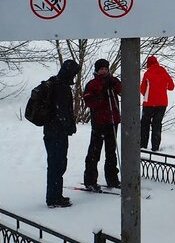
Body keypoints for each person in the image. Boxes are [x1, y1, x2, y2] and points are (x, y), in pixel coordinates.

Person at [43, 59, 80, 208]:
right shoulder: (62, 88)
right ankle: (54, 198)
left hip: (51, 130)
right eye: (74, 73)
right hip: (57, 132)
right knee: (57, 164)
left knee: (55, 164)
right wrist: (69, 126)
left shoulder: (54, 83)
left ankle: (54, 195)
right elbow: (62, 111)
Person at [83, 58, 121, 191]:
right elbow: (88, 101)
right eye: (101, 69)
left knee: (111, 152)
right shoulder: (92, 84)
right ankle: (90, 180)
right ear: (97, 70)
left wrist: (114, 84)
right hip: (99, 122)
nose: (104, 71)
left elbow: (122, 91)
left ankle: (112, 179)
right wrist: (101, 96)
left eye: (106, 69)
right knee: (94, 152)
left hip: (112, 120)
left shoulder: (112, 80)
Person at [141, 55, 175, 151]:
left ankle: (143, 146)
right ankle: (155, 147)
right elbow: (171, 87)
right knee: (157, 124)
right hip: (162, 104)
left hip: (148, 104)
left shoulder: (147, 73)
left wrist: (148, 95)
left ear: (148, 64)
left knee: (145, 124)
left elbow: (142, 89)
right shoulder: (164, 72)